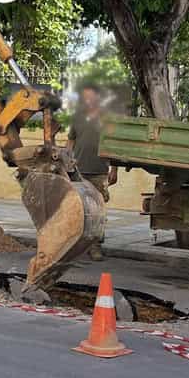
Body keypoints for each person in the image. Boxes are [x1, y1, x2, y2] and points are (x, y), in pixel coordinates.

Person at [67, 84, 116, 260]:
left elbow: (113, 146)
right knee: (79, 210)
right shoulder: (77, 118)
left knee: (97, 211)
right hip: (78, 172)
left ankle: (95, 247)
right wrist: (68, 161)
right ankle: (76, 245)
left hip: (99, 172)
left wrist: (114, 168)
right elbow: (70, 141)